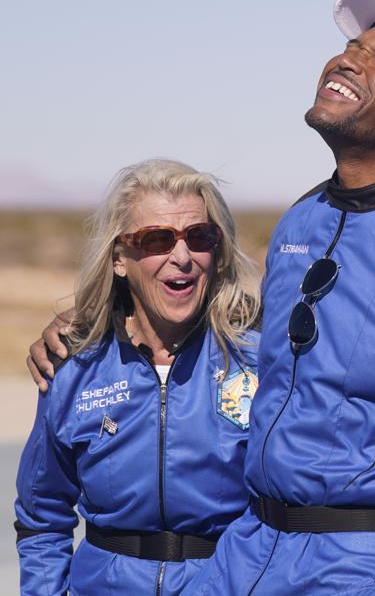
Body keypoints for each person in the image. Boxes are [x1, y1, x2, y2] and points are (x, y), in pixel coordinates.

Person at [26, 0, 375, 594]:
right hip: (255, 556)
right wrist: (98, 319)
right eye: (350, 46)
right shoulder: (299, 223)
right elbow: (257, 324)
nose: (347, 60)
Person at [14, 159, 262, 595]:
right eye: (157, 240)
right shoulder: (73, 366)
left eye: (199, 237)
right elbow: (42, 518)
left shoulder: (262, 359)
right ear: (119, 259)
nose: (182, 257)